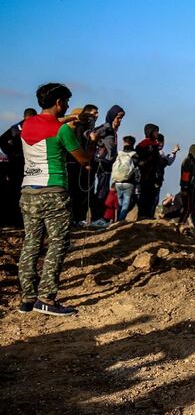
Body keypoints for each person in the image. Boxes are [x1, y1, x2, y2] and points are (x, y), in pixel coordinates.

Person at [18, 83, 98, 316]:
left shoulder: (27, 124)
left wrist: (73, 118)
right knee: (58, 243)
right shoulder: (62, 131)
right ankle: (46, 297)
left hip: (28, 191)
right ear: (59, 102)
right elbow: (84, 160)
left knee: (31, 243)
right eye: (67, 102)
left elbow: (50, 123)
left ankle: (27, 298)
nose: (69, 106)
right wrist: (91, 144)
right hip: (53, 191)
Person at [0, 108, 37, 227]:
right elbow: (2, 141)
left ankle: (21, 220)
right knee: (17, 192)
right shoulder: (16, 128)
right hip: (17, 163)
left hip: (26, 163)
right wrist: (12, 153)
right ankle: (16, 220)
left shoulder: (22, 127)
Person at [65, 104, 98, 224]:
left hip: (77, 164)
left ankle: (77, 218)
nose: (95, 116)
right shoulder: (78, 129)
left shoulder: (84, 129)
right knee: (78, 193)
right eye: (93, 113)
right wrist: (85, 162)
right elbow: (79, 147)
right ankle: (77, 218)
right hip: (78, 165)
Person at [91, 105, 124, 222]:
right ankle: (97, 218)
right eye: (118, 118)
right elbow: (90, 134)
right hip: (101, 163)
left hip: (107, 164)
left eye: (121, 118)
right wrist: (98, 143)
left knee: (103, 190)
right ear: (112, 116)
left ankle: (98, 217)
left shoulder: (113, 131)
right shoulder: (107, 128)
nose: (119, 121)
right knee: (101, 190)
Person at [135, 123, 162, 219]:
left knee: (150, 195)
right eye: (155, 131)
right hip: (146, 173)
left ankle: (147, 214)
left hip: (152, 174)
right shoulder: (145, 144)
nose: (157, 133)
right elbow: (139, 159)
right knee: (145, 194)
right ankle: (142, 214)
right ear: (150, 132)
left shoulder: (154, 144)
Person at [111, 135, 138, 222]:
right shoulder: (134, 154)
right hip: (129, 182)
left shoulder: (119, 153)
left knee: (119, 203)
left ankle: (117, 220)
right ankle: (120, 220)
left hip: (118, 181)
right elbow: (138, 166)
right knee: (126, 204)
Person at [177, 144, 195, 229]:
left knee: (189, 208)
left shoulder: (192, 161)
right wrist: (185, 187)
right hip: (186, 188)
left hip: (190, 187)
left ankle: (181, 224)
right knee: (187, 208)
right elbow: (185, 175)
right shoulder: (188, 161)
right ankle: (180, 224)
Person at [154, 133, 179, 210]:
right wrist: (173, 153)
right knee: (154, 199)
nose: (161, 144)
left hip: (154, 179)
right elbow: (167, 162)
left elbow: (167, 162)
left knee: (153, 199)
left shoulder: (157, 152)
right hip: (156, 179)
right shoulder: (159, 153)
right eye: (160, 141)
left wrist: (173, 153)